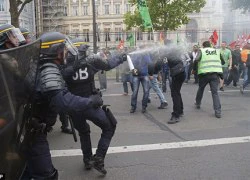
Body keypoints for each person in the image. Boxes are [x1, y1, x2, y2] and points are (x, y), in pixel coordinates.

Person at [20, 32, 104, 179]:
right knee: (46, 175)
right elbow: (64, 102)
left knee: (26, 172)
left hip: (31, 129)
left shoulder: (43, 66)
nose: (67, 52)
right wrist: (91, 101)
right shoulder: (48, 70)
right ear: (55, 51)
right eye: (64, 49)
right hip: (34, 133)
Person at [61, 38, 127, 175]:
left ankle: (87, 159)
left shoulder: (64, 64)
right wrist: (121, 57)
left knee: (84, 131)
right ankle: (99, 158)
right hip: (90, 104)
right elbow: (108, 64)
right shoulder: (91, 61)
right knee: (109, 126)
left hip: (74, 106)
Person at [194, 41, 225, 118]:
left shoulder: (202, 50)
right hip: (215, 74)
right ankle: (218, 112)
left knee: (201, 89)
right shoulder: (216, 51)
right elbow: (223, 62)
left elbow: (196, 59)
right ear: (210, 45)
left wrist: (194, 69)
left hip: (204, 74)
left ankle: (198, 103)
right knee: (215, 93)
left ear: (203, 46)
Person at [164, 46, 186, 124]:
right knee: (177, 92)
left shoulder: (169, 53)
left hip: (177, 74)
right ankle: (180, 111)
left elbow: (164, 64)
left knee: (175, 94)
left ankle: (176, 115)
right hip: (181, 73)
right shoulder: (176, 52)